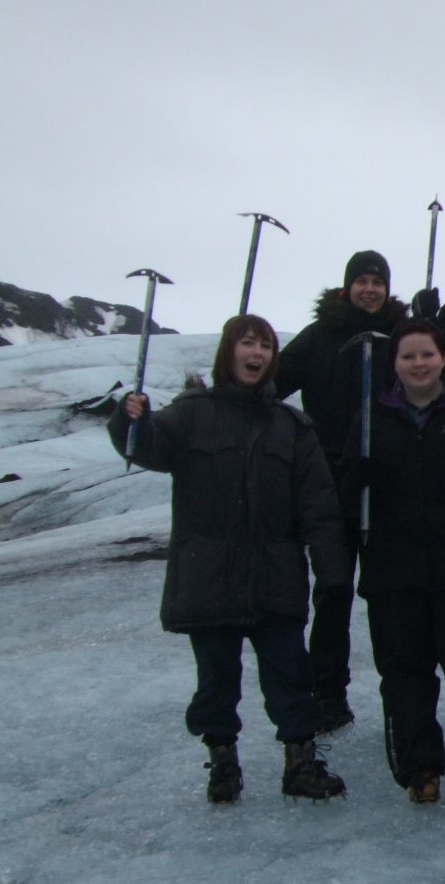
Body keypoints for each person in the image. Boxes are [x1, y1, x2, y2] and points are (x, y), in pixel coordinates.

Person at [110, 315, 349, 802]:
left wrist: (333, 570)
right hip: (209, 575)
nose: (256, 353)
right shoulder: (193, 413)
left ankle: (300, 763)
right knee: (216, 678)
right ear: (229, 351)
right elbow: (149, 446)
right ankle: (223, 763)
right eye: (247, 343)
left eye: (265, 345)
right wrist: (129, 420)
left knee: (290, 674)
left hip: (274, 575)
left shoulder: (293, 427)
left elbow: (319, 507)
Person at [341, 319, 445, 802]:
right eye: (408, 356)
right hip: (394, 570)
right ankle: (421, 769)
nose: (419, 364)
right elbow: (346, 491)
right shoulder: (374, 418)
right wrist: (357, 475)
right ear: (394, 364)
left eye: (427, 354)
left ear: (443, 358)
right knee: (405, 672)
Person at [275, 249, 408, 732]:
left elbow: (438, 377)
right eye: (362, 281)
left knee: (389, 594)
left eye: (378, 281)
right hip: (331, 485)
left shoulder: (400, 337)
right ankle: (327, 692)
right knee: (333, 590)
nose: (370, 289)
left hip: (387, 486)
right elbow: (273, 384)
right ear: (346, 286)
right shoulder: (320, 337)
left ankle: (400, 689)